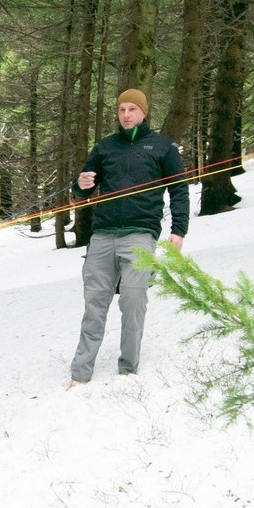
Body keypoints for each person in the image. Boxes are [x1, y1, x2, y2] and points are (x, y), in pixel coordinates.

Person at [68, 89, 188, 385]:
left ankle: (128, 368)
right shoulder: (105, 147)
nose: (126, 115)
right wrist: (80, 184)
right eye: (122, 109)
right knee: (94, 303)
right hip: (102, 236)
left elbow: (179, 190)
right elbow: (83, 186)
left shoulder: (162, 147)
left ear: (144, 112)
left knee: (134, 300)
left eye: (132, 109)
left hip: (140, 234)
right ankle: (80, 374)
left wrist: (178, 230)